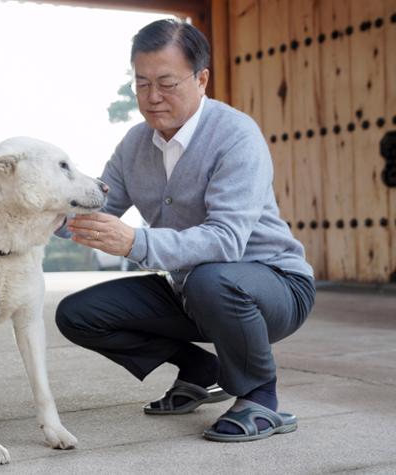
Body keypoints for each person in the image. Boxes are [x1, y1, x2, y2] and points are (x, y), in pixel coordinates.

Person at [55, 19, 315, 442]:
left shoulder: (235, 136)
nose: (152, 97)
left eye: (166, 83)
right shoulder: (134, 145)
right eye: (141, 84)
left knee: (213, 279)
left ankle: (261, 400)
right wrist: (38, 207)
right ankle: (199, 370)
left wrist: (136, 241)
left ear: (201, 79)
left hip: (274, 287)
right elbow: (91, 210)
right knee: (77, 315)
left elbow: (227, 240)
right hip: (192, 292)